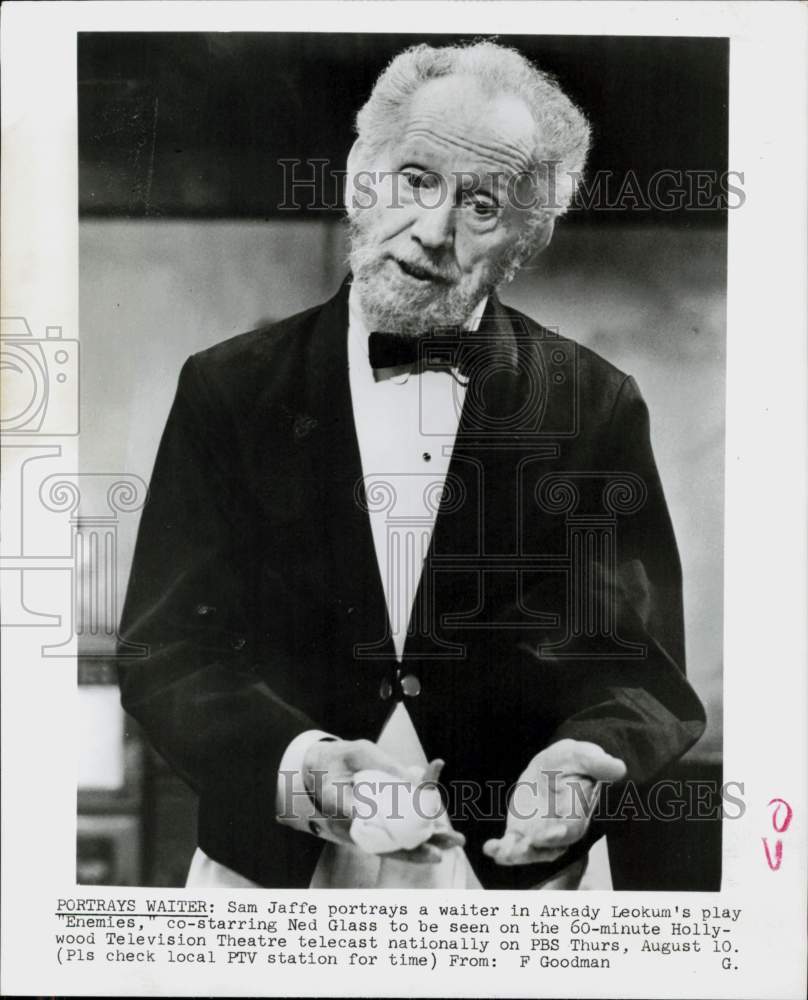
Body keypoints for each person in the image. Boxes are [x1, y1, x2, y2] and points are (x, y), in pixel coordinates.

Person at [118, 40, 706, 890]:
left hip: (516, 881)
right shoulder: (227, 388)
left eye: (481, 205)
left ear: (522, 244)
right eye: (417, 179)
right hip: (277, 870)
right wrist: (305, 767)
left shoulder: (594, 404)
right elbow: (165, 652)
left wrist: (585, 766)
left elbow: (643, 676)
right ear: (363, 173)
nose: (432, 230)